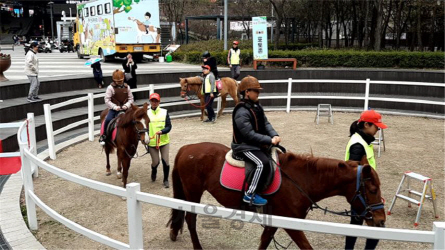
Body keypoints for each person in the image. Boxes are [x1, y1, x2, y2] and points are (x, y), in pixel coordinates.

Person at [231, 76, 281, 206]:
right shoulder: (241, 111)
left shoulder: (256, 107)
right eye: (256, 91)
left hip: (255, 143)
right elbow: (248, 135)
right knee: (262, 162)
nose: (258, 93)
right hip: (244, 146)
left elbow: (265, 123)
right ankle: (250, 194)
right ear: (247, 92)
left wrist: (274, 135)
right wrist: (269, 140)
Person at [344, 109, 388, 250]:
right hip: (362, 193)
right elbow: (353, 170)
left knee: (356, 224)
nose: (378, 130)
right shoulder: (358, 144)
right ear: (367, 125)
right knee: (377, 225)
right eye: (376, 126)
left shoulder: (363, 140)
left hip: (364, 191)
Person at [99, 70, 134, 145]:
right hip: (114, 109)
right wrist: (114, 107)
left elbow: (131, 99)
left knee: (134, 119)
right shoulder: (110, 88)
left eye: (121, 80)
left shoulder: (127, 87)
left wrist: (126, 105)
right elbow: (107, 100)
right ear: (114, 80)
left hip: (125, 108)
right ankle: (104, 135)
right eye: (117, 81)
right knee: (108, 120)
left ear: (123, 78)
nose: (120, 82)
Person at [147, 93, 172, 188]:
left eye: (156, 101)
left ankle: (165, 180)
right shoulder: (146, 113)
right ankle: (154, 171)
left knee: (165, 161)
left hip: (164, 141)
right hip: (152, 142)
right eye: (152, 101)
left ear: (159, 102)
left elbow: (169, 126)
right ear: (150, 101)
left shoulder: (164, 112)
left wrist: (162, 131)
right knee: (156, 162)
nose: (154, 102)